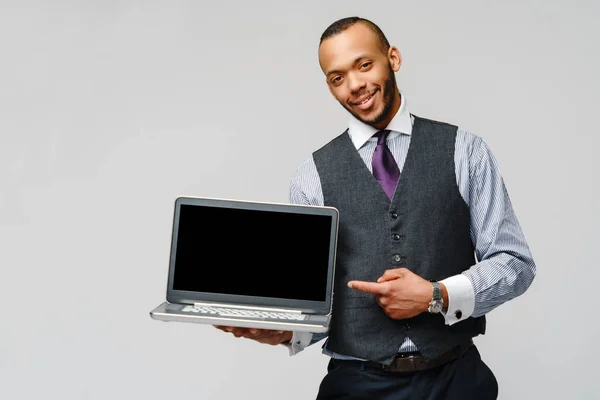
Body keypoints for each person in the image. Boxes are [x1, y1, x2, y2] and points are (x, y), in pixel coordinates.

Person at [214, 16, 536, 400]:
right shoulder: (310, 177)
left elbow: (514, 263)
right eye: (337, 77)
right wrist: (286, 331)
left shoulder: (465, 150)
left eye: (364, 65)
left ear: (393, 58)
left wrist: (438, 294)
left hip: (457, 381)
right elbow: (321, 305)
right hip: (357, 386)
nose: (355, 86)